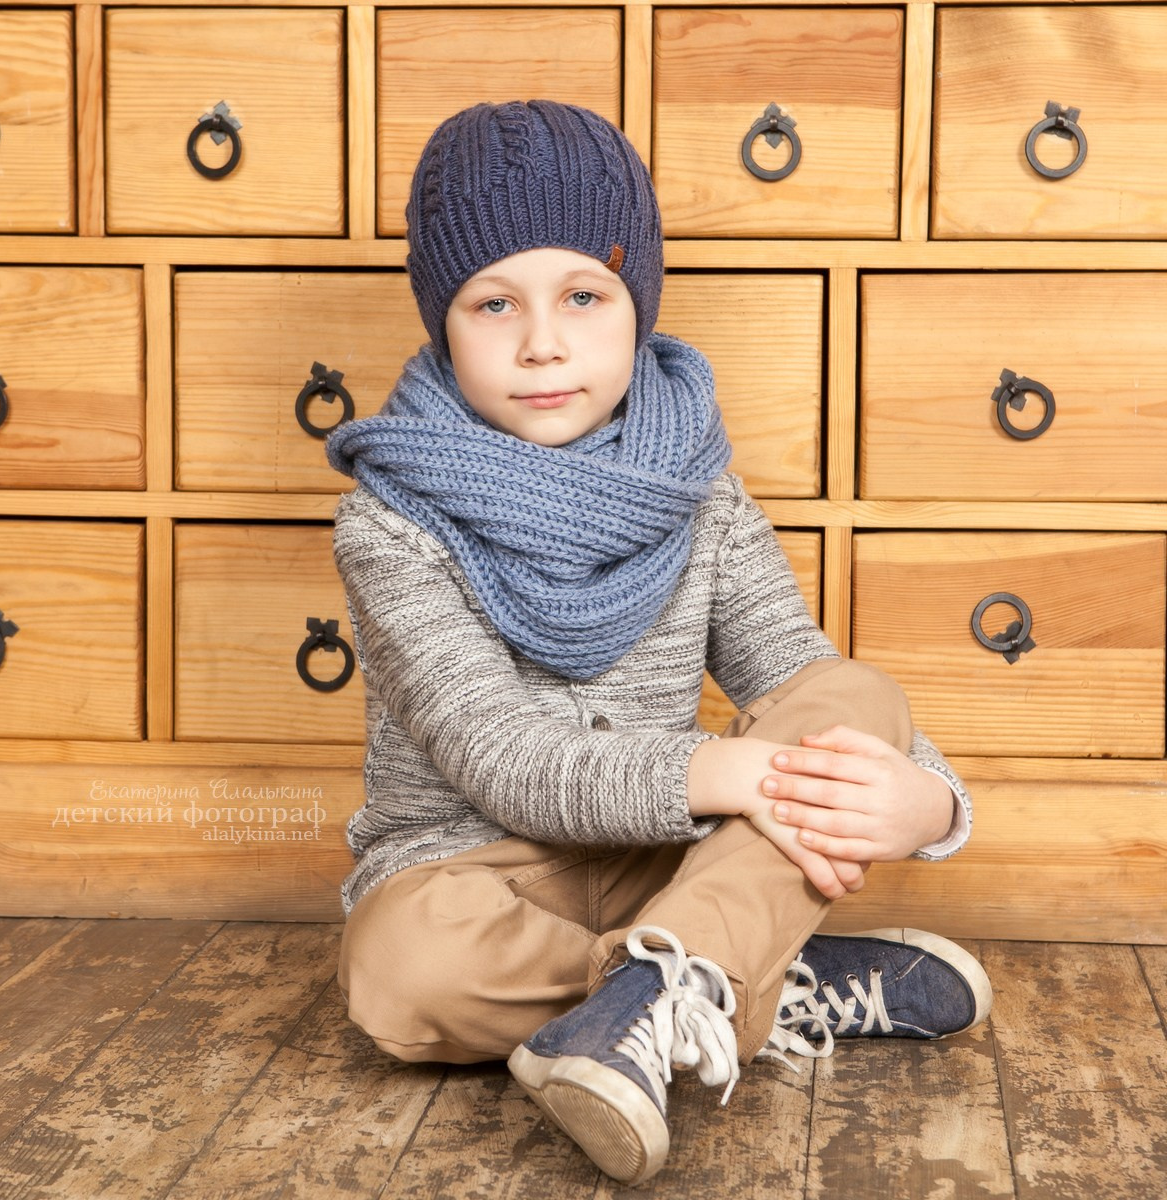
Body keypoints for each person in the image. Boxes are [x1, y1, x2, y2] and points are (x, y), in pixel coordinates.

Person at [326, 99, 990, 1186]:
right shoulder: (391, 519)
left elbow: (799, 675)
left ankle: (659, 993)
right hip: (476, 873)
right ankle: (742, 985)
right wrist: (732, 769)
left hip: (665, 864)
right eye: (494, 303)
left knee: (851, 689)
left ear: (637, 306)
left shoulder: (698, 488)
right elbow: (505, 758)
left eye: (584, 295)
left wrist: (929, 808)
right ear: (441, 323)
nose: (543, 342)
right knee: (398, 972)